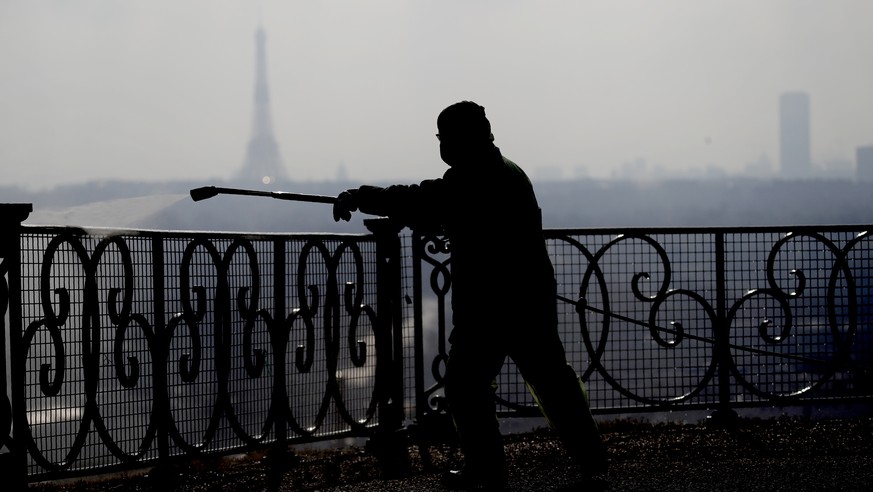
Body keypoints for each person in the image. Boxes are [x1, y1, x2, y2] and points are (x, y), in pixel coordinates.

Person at [333, 101, 606, 490]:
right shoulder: (507, 171)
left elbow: (423, 200)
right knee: (552, 381)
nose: (442, 145)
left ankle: (488, 468)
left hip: (488, 303)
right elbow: (441, 206)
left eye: (444, 138)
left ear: (457, 139)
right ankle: (592, 461)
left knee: (465, 387)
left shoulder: (471, 176)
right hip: (527, 294)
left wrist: (360, 196)